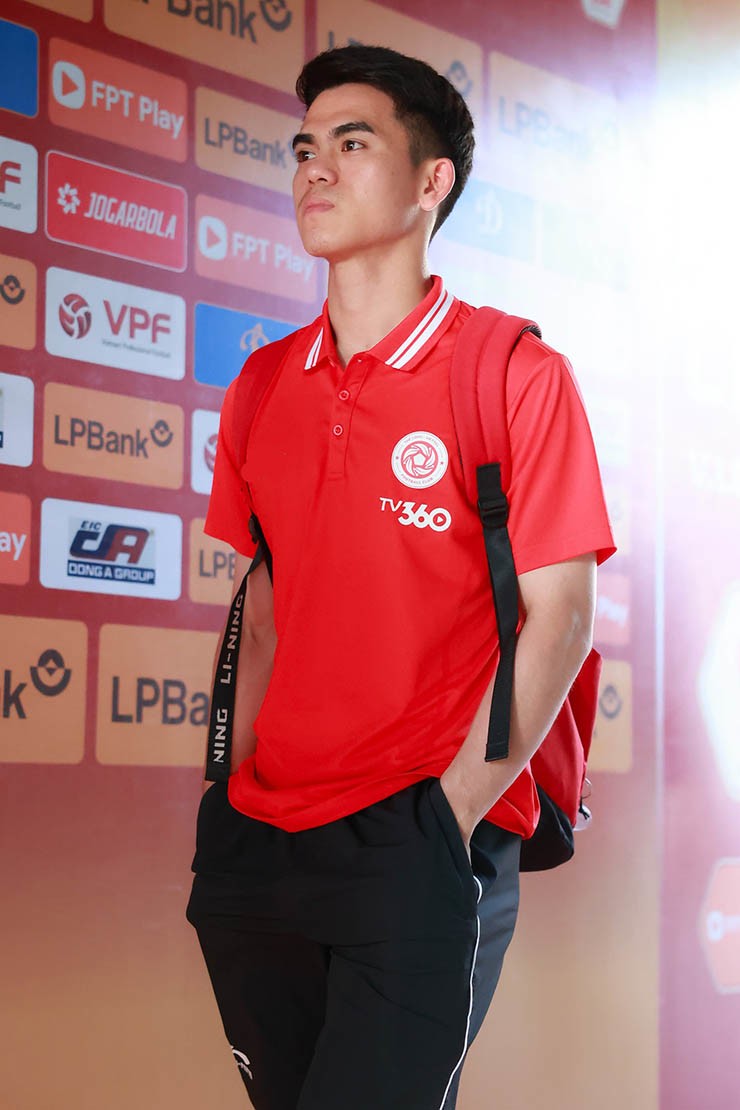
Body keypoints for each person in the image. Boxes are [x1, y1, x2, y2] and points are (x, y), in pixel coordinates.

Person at [187, 44, 615, 1110]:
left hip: (424, 826)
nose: (314, 169)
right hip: (266, 836)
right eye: (303, 149)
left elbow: (559, 615)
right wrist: (227, 797)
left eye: (351, 142)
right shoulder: (261, 384)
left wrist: (453, 814)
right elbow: (265, 605)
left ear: (433, 182)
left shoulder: (513, 372)